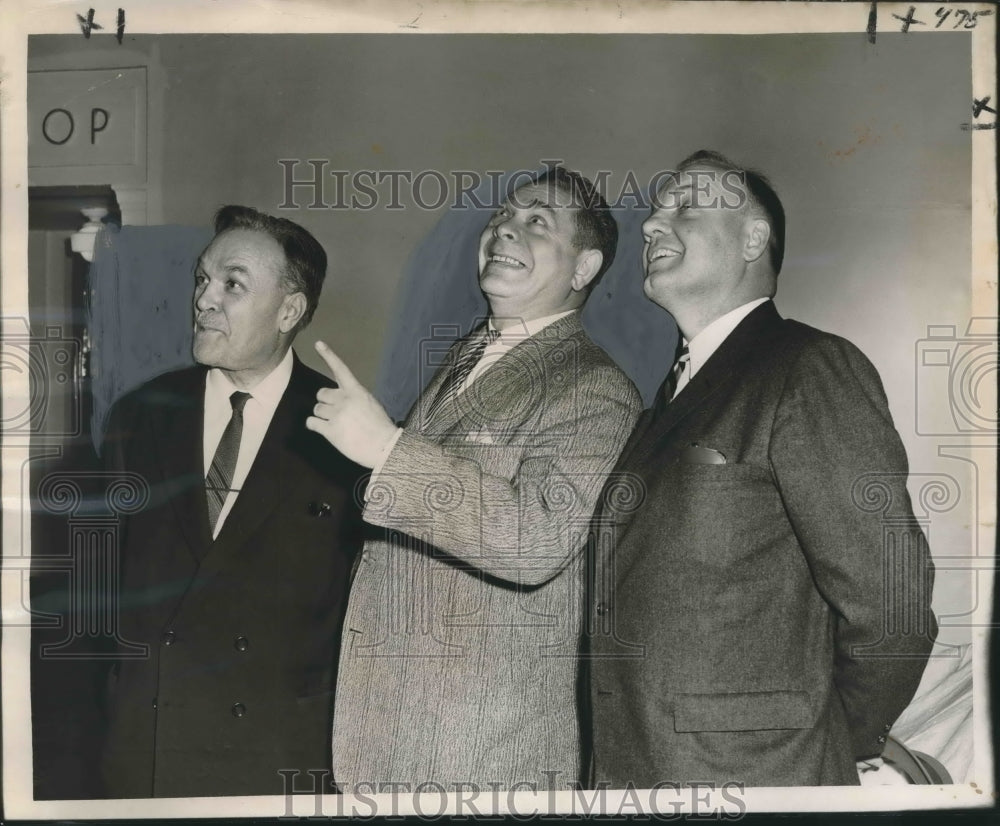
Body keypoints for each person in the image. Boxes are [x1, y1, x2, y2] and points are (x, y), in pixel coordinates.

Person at [586, 151, 937, 787]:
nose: (651, 226)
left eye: (685, 206)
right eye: (656, 211)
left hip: (759, 782)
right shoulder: (661, 408)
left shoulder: (809, 368)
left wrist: (827, 738)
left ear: (754, 238)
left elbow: (893, 605)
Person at [306, 167, 642, 792]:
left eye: (537, 221)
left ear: (585, 268)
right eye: (502, 217)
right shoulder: (467, 357)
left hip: (483, 753)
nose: (505, 229)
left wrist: (387, 449)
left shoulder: (595, 389)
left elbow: (535, 540)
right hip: (394, 737)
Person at [99, 205, 363, 798]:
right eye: (202, 279)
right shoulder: (138, 417)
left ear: (289, 311)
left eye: (232, 284)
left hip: (273, 762)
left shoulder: (348, 432)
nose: (203, 300)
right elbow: (95, 606)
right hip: (146, 759)